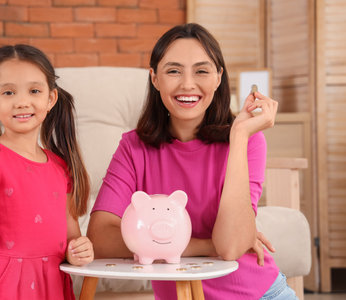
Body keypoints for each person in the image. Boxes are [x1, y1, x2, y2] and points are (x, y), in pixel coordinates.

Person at [87, 23, 297, 299]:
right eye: (173, 71)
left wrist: (239, 136)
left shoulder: (247, 140)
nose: (188, 84)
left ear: (219, 77)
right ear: (154, 78)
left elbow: (231, 247)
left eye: (201, 71)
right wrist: (206, 245)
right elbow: (101, 239)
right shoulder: (133, 147)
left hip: (259, 293)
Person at [0, 44, 93, 300]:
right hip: (5, 288)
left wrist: (80, 249)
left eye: (34, 90)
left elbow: (71, 240)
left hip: (53, 287)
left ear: (50, 99)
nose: (22, 102)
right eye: (9, 92)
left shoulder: (61, 166)